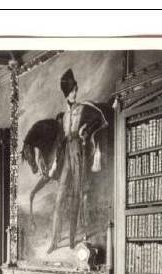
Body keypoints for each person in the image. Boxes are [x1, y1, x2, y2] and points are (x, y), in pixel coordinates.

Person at [47, 69, 108, 254]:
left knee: (75, 196)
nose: (75, 93)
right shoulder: (63, 116)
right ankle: (55, 241)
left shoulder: (84, 108)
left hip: (79, 154)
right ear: (66, 92)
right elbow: (60, 142)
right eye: (72, 90)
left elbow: (100, 119)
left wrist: (85, 129)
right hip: (66, 154)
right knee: (59, 199)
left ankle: (72, 239)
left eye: (75, 89)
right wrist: (55, 163)